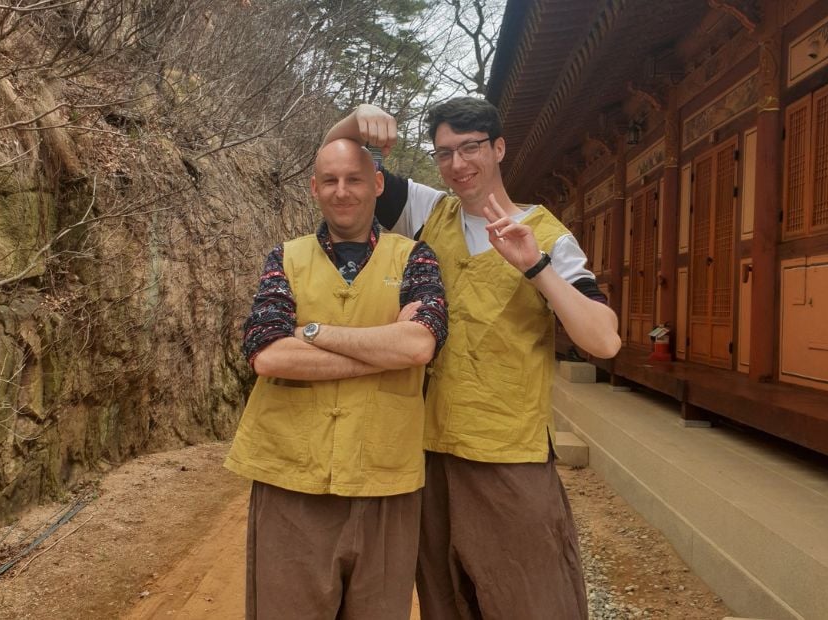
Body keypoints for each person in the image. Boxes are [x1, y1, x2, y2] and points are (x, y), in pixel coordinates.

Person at [324, 98, 622, 619]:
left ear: (498, 148)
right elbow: (336, 160)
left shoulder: (548, 235)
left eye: (471, 148)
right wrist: (356, 119)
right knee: (446, 597)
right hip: (429, 447)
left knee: (531, 597)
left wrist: (536, 267)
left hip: (507, 450)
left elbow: (604, 340)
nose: (458, 165)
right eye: (444, 153)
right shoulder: (428, 211)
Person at [225, 138, 448, 619]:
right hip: (290, 475)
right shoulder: (284, 257)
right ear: (314, 188)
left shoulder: (415, 257)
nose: (342, 191)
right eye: (330, 180)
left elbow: (419, 345)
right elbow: (266, 354)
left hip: (384, 477)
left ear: (378, 185)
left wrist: (311, 332)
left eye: (354, 179)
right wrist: (384, 347)